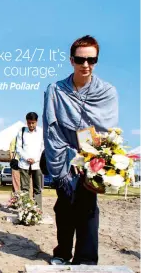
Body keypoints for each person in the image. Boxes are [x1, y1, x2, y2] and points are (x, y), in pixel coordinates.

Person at [43, 35, 118, 265]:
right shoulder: (56, 90)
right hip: (63, 157)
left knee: (87, 207)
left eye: (91, 60)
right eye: (80, 59)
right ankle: (62, 252)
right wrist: (65, 162)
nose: (86, 65)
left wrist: (91, 161)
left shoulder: (107, 92)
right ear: (71, 60)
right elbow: (51, 128)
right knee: (64, 205)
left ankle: (85, 258)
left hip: (92, 159)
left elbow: (108, 132)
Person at [16, 112, 44, 209]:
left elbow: (43, 148)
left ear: (37, 122)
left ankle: (38, 210)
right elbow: (18, 148)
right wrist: (26, 158)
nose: (31, 125)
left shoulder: (41, 132)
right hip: (24, 164)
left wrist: (35, 159)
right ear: (26, 122)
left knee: (38, 188)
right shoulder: (21, 131)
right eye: (29, 123)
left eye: (33, 123)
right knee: (24, 188)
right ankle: (25, 209)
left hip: (38, 164)